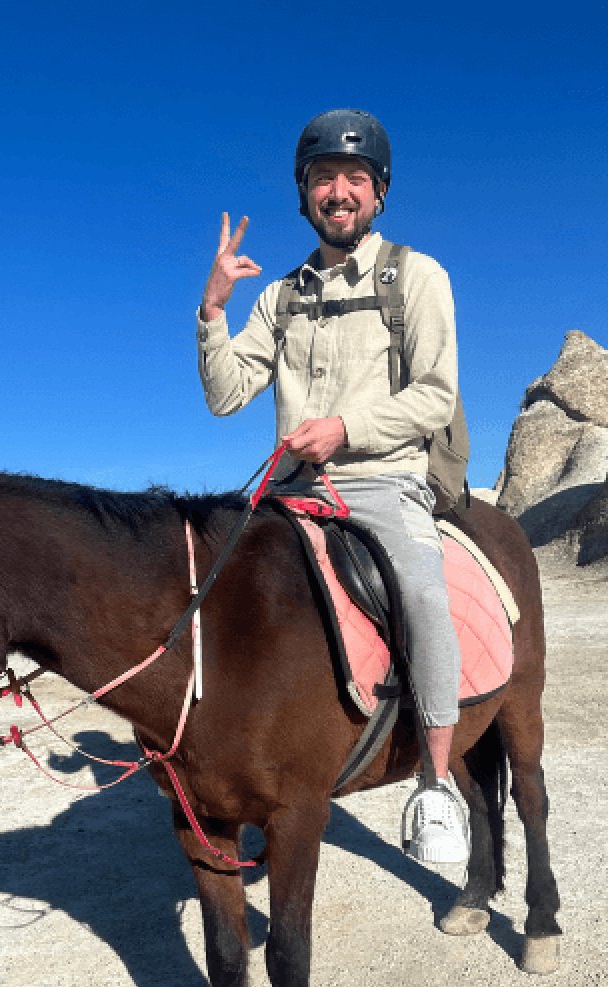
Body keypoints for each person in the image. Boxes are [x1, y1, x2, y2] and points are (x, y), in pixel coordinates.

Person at [196, 109, 468, 863]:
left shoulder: (417, 276)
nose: (338, 192)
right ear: (304, 194)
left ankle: (437, 781)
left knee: (421, 595)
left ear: (378, 193)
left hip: (382, 481)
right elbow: (225, 395)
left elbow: (435, 396)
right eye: (323, 178)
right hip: (289, 493)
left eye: (354, 178)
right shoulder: (280, 298)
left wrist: (345, 428)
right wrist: (213, 310)